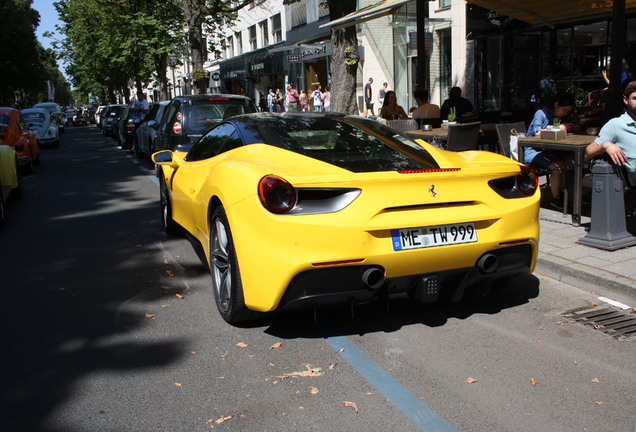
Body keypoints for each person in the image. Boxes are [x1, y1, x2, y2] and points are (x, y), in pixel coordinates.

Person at [525, 91, 581, 210]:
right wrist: (559, 128)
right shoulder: (541, 114)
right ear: (556, 105)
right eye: (564, 110)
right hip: (533, 150)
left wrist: (572, 127)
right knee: (558, 166)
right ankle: (556, 198)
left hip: (551, 150)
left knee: (572, 161)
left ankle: (564, 193)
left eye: (568, 111)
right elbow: (537, 133)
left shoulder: (563, 117)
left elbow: (577, 126)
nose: (566, 113)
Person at [585, 80, 636, 188]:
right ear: (626, 100)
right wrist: (605, 145)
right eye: (635, 98)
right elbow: (588, 152)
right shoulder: (616, 124)